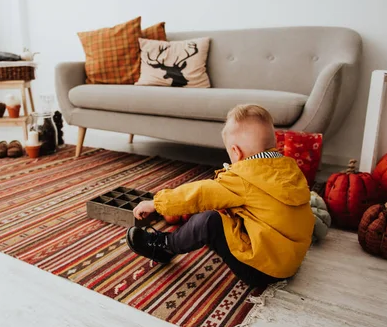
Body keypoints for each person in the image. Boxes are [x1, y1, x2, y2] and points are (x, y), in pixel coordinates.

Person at [126, 104, 314, 287]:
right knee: (231, 210)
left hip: (261, 271)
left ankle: (165, 246)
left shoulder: (244, 177)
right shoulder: (289, 170)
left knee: (210, 221)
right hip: (289, 262)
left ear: (236, 152)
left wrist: (155, 204)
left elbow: (201, 193)